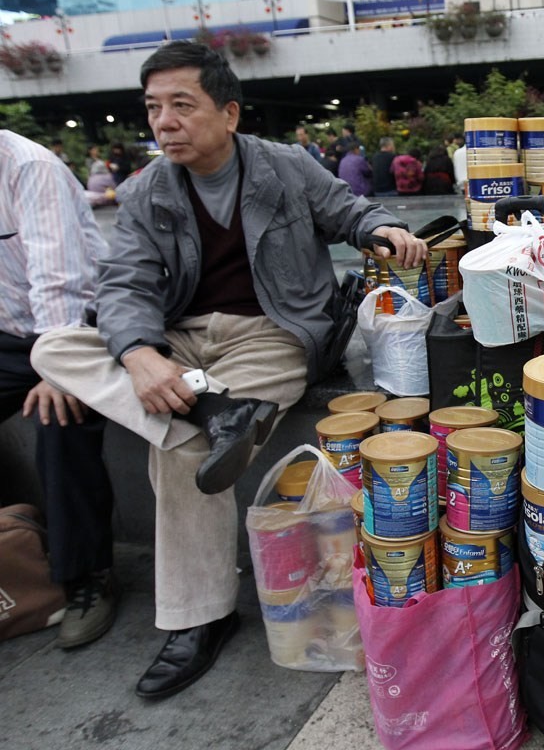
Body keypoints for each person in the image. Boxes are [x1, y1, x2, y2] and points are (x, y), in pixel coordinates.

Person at [30, 41, 426, 700]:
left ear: (230, 112)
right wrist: (139, 355)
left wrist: (384, 229)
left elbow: (350, 211)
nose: (163, 123)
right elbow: (125, 284)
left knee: (180, 454)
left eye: (182, 106)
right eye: (153, 108)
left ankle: (198, 620)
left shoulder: (285, 166)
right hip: (177, 339)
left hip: (273, 332)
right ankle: (217, 415)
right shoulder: (145, 190)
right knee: (54, 348)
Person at [0, 129, 118, 650]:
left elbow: (61, 279)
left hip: (77, 326)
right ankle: (14, 548)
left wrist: (54, 368)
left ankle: (85, 576)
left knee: (61, 413)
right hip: (8, 333)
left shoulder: (29, 166)